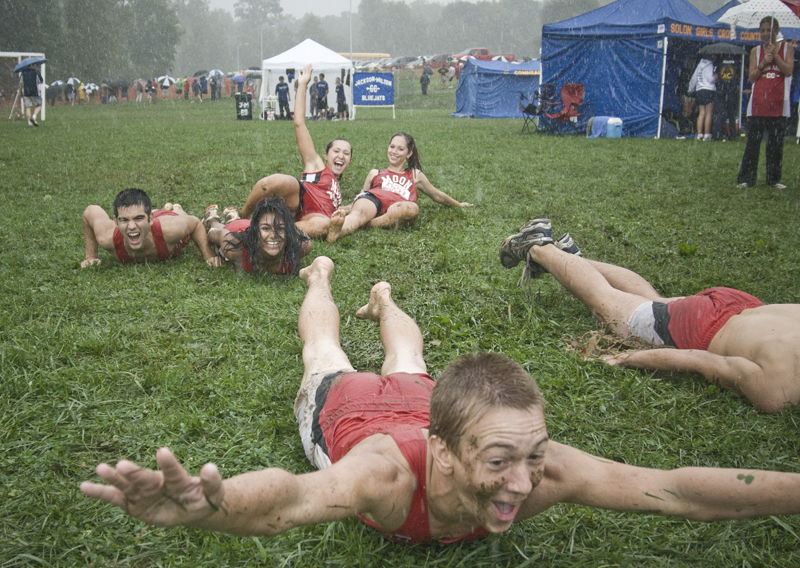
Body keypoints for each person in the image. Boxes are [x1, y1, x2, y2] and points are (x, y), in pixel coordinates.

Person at [82, 256, 800, 546]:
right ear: (444, 453)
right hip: (347, 407)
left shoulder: (532, 464)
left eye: (533, 455)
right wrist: (217, 504)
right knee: (324, 353)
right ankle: (321, 279)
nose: (524, 482)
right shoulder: (385, 477)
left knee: (410, 360)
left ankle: (384, 296)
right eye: (502, 461)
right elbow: (293, 497)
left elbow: (674, 490)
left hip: (422, 399)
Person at [499, 218, 800, 413]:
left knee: (651, 304)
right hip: (703, 328)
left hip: (738, 304)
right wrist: (626, 358)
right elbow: (703, 360)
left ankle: (571, 259)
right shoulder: (781, 389)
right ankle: (538, 246)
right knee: (611, 306)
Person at [239, 64, 352, 240]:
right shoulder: (317, 166)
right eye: (336, 151)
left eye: (346, 153)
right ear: (325, 156)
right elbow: (299, 123)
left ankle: (265, 231)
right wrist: (303, 85)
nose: (341, 156)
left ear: (350, 161)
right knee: (277, 181)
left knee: (323, 224)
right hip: (298, 198)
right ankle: (242, 216)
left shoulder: (337, 192)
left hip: (313, 217)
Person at [326, 132, 472, 243]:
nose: (394, 152)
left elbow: (437, 195)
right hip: (374, 199)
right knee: (358, 213)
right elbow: (357, 201)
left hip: (397, 207)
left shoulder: (415, 175)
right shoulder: (375, 173)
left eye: (400, 149)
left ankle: (368, 224)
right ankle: (338, 232)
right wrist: (342, 209)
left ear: (409, 154)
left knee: (411, 209)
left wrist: (458, 204)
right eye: (392, 147)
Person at [81, 188, 221, 268]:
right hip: (150, 221)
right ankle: (165, 209)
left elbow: (195, 223)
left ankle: (176, 209)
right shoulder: (107, 237)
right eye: (124, 220)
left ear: (151, 219)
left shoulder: (170, 229)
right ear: (116, 221)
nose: (131, 226)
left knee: (179, 215)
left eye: (138, 218)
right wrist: (91, 257)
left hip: (165, 219)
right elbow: (90, 211)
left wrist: (208, 256)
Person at [737, 16, 795, 189]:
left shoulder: (788, 48)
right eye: (762, 30)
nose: (764, 33)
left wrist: (775, 56)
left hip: (778, 103)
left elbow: (788, 71)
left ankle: (773, 179)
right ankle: (747, 178)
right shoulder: (755, 51)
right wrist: (763, 63)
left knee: (775, 144)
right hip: (758, 103)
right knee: (753, 143)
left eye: (768, 30)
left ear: (776, 31)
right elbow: (752, 77)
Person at [202, 198, 311, 275]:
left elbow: (298, 233)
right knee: (221, 226)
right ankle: (213, 219)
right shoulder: (235, 248)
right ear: (256, 232)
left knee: (268, 223)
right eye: (266, 229)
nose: (273, 235)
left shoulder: (301, 246)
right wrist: (211, 234)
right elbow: (219, 234)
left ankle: (233, 216)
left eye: (280, 229)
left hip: (256, 224)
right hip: (237, 229)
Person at [688, 56, 716, 140]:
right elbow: (710, 79)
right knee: (709, 113)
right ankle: (707, 134)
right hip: (708, 90)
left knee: (702, 112)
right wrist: (715, 77)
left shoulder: (699, 64)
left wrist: (690, 89)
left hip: (699, 90)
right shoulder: (710, 65)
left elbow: (694, 78)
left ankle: (699, 134)